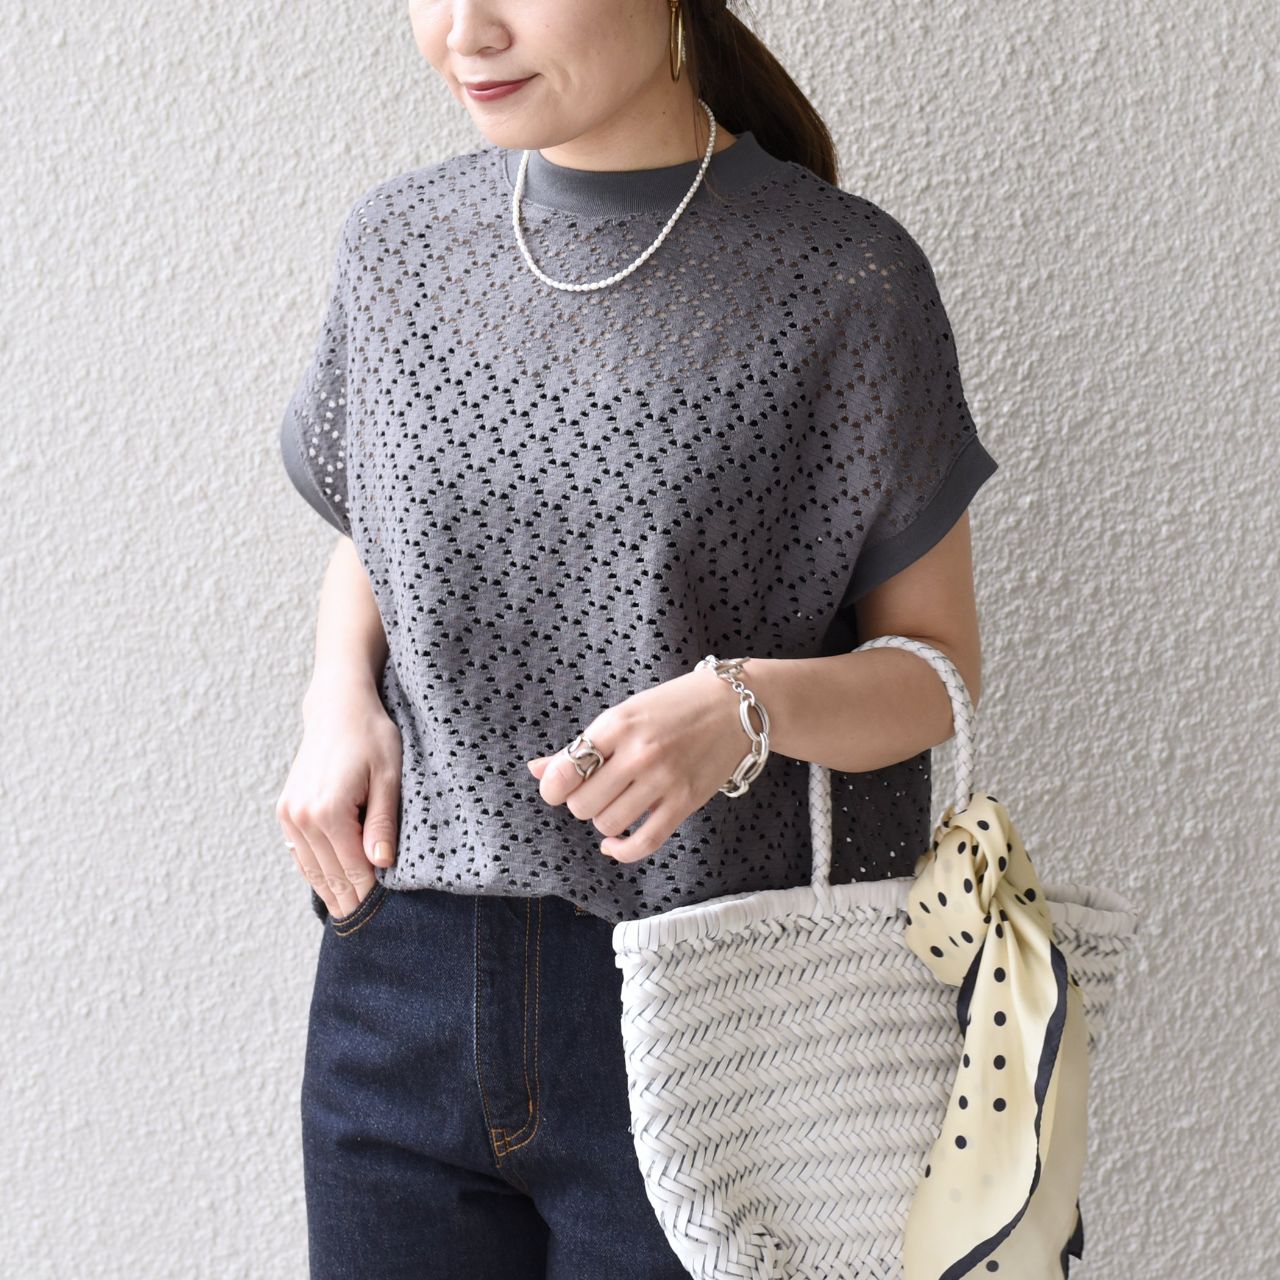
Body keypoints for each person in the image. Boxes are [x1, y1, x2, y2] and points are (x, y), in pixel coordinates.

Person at [276, 1, 999, 1276]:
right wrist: (338, 696)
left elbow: (934, 672)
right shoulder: (400, 245)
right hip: (396, 972)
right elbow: (378, 530)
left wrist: (741, 707)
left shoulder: (843, 280)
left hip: (709, 999)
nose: (464, 32)